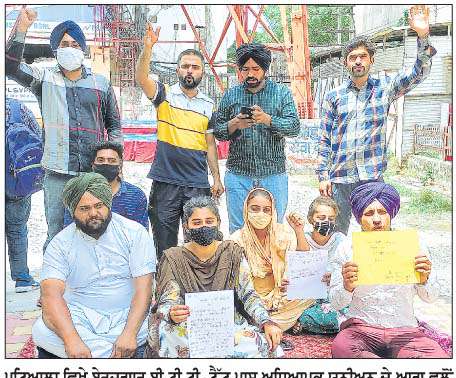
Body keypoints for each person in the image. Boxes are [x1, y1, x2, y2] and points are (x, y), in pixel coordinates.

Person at [6, 9, 123, 251]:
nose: (70, 48)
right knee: (57, 234)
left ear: (82, 49)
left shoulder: (101, 84)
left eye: (75, 44)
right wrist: (21, 30)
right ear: (55, 49)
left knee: (95, 230)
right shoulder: (44, 79)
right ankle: (55, 275)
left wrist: (114, 164)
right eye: (64, 44)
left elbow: (114, 125)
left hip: (94, 173)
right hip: (57, 174)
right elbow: (10, 66)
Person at [316, 5, 436, 235]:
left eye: (362, 56)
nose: (357, 61)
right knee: (335, 236)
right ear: (346, 63)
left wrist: (422, 35)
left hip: (372, 177)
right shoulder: (333, 96)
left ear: (371, 60)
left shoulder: (385, 88)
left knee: (376, 234)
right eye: (352, 57)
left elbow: (419, 73)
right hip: (340, 179)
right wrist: (323, 176)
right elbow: (324, 140)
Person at [32, 173, 156, 358]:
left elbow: (144, 289)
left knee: (158, 325)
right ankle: (113, 356)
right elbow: (51, 296)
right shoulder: (60, 243)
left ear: (108, 204)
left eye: (99, 206)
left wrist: (129, 334)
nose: (93, 213)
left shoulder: (134, 233)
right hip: (79, 318)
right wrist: (72, 340)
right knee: (42, 331)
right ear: (72, 211)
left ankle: (94, 356)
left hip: (128, 316)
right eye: (84, 208)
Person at [146, 196, 283, 358]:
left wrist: (266, 321)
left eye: (209, 221)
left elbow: (249, 295)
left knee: (264, 343)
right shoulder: (174, 257)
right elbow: (168, 300)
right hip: (188, 324)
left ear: (218, 222)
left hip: (226, 322)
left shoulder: (232, 252)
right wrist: (171, 313)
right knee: (167, 333)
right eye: (197, 222)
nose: (204, 226)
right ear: (186, 226)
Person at [329, 181, 448, 358]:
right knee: (342, 347)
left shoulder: (413, 245)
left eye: (382, 212)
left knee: (436, 358)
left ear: (391, 214)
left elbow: (431, 298)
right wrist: (347, 286)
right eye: (369, 213)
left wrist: (424, 280)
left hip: (405, 331)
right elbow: (335, 303)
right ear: (359, 217)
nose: (377, 219)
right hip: (361, 329)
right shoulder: (346, 248)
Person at [136, 24, 224, 259]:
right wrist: (148, 47)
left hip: (197, 183)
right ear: (177, 70)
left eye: (195, 67)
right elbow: (141, 78)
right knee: (165, 246)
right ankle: (167, 282)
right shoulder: (163, 95)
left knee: (201, 243)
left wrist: (216, 178)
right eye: (185, 66)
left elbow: (210, 144)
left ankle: (197, 282)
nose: (189, 71)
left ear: (202, 72)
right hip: (165, 181)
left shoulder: (209, 105)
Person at [214, 42, 300, 233]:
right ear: (239, 70)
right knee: (238, 230)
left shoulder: (281, 93)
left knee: (274, 229)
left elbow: (294, 127)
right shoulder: (231, 95)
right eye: (245, 69)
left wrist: (267, 119)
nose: (250, 74)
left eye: (256, 69)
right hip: (238, 175)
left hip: (273, 174)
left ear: (265, 69)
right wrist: (235, 123)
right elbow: (218, 132)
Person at [230, 188, 314, 336]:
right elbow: (239, 285)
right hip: (253, 299)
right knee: (239, 307)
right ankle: (279, 323)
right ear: (246, 210)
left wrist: (299, 230)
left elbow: (304, 262)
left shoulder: (283, 233)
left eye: (266, 210)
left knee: (311, 292)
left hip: (282, 296)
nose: (260, 214)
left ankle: (264, 325)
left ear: (272, 212)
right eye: (255, 209)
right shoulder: (236, 240)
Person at [293, 196, 348, 334]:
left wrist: (335, 276)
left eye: (331, 219)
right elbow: (298, 267)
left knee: (347, 310)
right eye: (321, 218)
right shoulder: (302, 238)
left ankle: (304, 322)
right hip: (309, 296)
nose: (326, 222)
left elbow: (347, 270)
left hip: (332, 295)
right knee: (291, 309)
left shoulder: (341, 240)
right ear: (311, 219)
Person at [63, 142, 149, 230]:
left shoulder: (136, 195)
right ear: (92, 164)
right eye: (101, 160)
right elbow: (69, 230)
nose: (106, 164)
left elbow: (141, 232)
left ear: (120, 165)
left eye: (112, 160)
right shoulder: (78, 192)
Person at [5, 98, 41, 293]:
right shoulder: (18, 108)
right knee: (17, 229)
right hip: (16, 181)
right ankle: (22, 279)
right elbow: (38, 139)